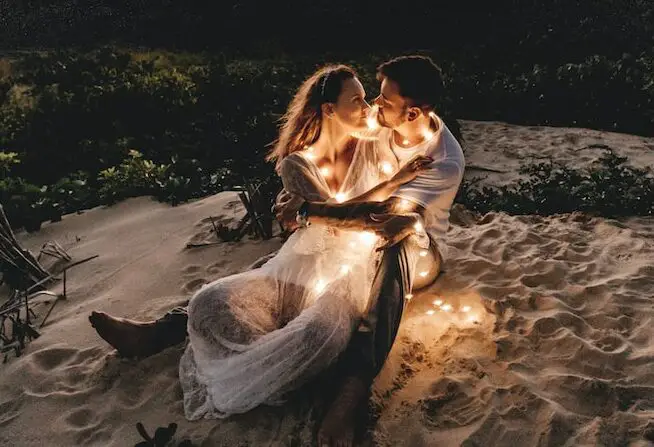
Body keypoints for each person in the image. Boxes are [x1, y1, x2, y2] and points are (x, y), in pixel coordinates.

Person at [89, 55, 465, 447]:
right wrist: (299, 193)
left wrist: (309, 211)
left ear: (414, 112)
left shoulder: (443, 161)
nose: (372, 107)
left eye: (384, 101)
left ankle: (351, 394)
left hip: (417, 256)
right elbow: (331, 133)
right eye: (372, 97)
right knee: (292, 259)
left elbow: (386, 220)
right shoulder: (381, 123)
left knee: (393, 246)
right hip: (355, 235)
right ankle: (161, 330)